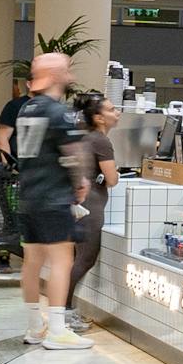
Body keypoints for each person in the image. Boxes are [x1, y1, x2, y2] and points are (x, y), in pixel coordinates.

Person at [0, 50, 88, 350]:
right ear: (56, 75)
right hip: (53, 197)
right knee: (62, 261)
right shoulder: (59, 113)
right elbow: (72, 155)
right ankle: (58, 330)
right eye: (67, 69)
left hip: (28, 195)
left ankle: (36, 326)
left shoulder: (26, 109)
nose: (71, 74)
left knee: (32, 262)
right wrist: (80, 183)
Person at [64, 91, 122, 322]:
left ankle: (63, 309)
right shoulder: (100, 140)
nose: (117, 113)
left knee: (75, 258)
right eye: (111, 109)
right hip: (91, 205)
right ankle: (65, 311)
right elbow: (112, 179)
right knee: (85, 259)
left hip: (78, 203)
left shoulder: (84, 136)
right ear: (98, 118)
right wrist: (112, 175)